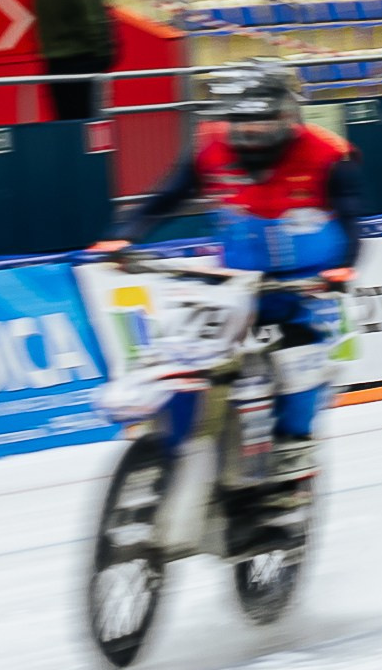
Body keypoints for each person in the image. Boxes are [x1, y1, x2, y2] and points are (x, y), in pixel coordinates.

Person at [87, 61, 361, 481]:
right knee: (181, 347)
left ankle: (295, 442)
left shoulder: (329, 156)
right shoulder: (210, 151)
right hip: (232, 286)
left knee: (299, 355)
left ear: (289, 116)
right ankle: (168, 439)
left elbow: (352, 223)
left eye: (262, 121)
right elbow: (166, 197)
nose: (249, 132)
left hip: (303, 288)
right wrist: (125, 235)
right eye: (239, 121)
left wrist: (342, 270)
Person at [33, 0, 114, 120]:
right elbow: (92, 20)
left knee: (65, 121)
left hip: (53, 62)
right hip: (82, 61)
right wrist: (104, 55)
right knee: (88, 122)